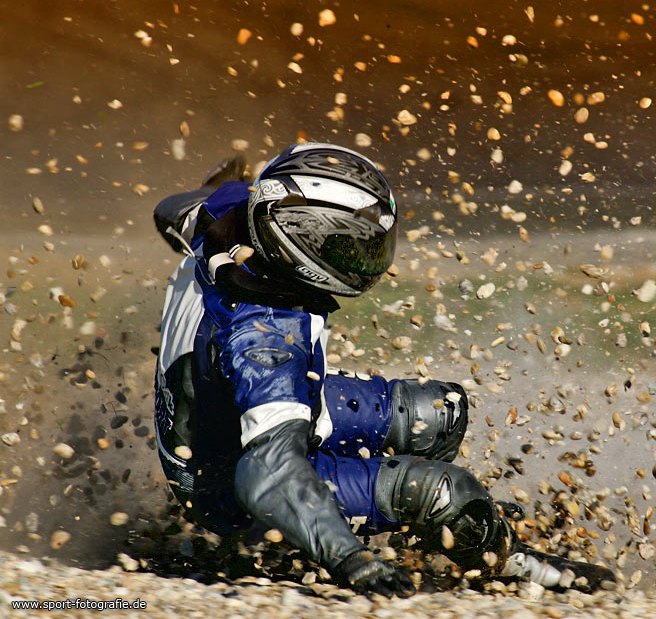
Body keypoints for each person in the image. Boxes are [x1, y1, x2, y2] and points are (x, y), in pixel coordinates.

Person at [152, 143, 616, 597]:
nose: (367, 262)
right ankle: (510, 562)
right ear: (299, 240)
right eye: (347, 248)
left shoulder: (227, 214)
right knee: (444, 492)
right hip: (225, 483)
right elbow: (267, 475)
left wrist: (226, 182)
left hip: (213, 406)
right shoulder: (269, 341)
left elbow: (169, 211)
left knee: (439, 412)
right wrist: (349, 560)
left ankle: (412, 520)